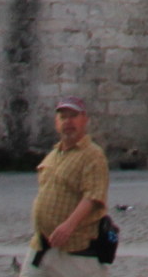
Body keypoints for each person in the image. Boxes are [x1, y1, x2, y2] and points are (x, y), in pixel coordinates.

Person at [27, 98, 109, 272]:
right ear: (57, 123)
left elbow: (93, 196)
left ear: (84, 119)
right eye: (63, 117)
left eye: (73, 116)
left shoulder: (92, 155)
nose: (68, 122)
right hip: (42, 246)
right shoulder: (54, 154)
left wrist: (68, 225)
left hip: (76, 248)